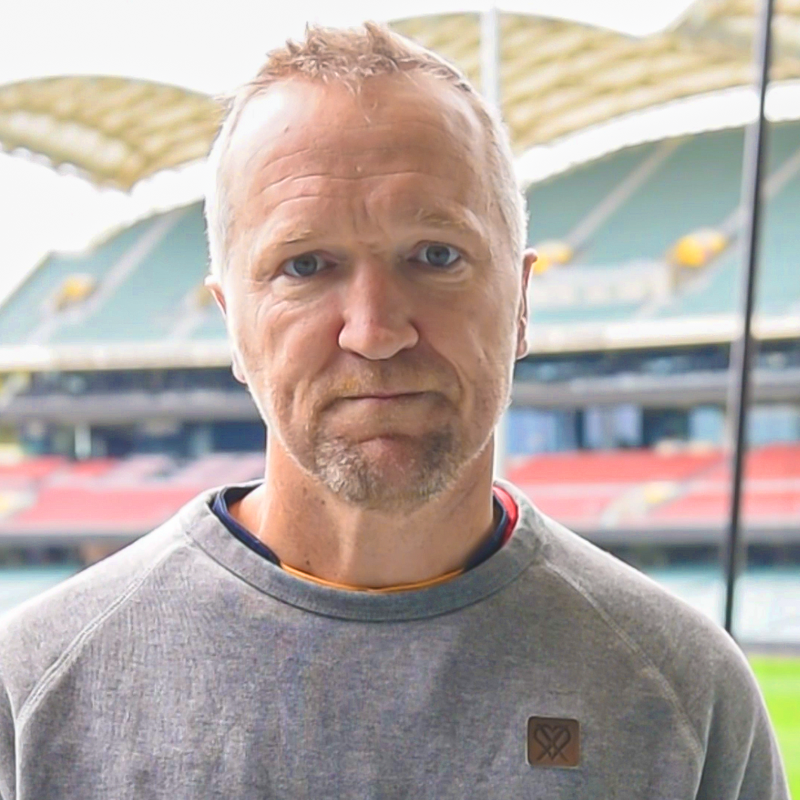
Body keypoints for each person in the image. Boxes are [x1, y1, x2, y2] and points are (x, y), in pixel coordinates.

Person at [0, 23, 788, 800]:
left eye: (436, 256)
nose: (375, 331)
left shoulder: (684, 693)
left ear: (520, 302)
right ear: (230, 321)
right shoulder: (35, 692)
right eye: (305, 265)